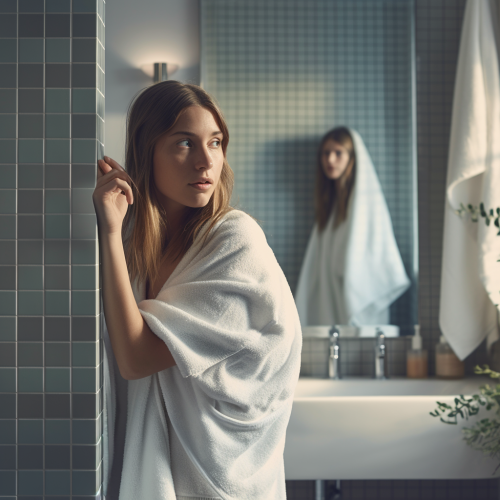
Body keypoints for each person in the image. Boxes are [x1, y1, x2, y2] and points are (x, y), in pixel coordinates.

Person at [92, 80, 302, 500]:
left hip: (226, 482)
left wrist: (110, 230)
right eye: (185, 143)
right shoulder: (140, 246)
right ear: (146, 149)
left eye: (216, 142)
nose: (207, 161)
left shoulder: (235, 241)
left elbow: (135, 359)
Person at [294, 126, 410, 327]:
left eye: (338, 153)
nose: (330, 160)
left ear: (352, 158)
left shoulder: (366, 204)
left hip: (361, 306)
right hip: (334, 303)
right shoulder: (330, 210)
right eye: (326, 153)